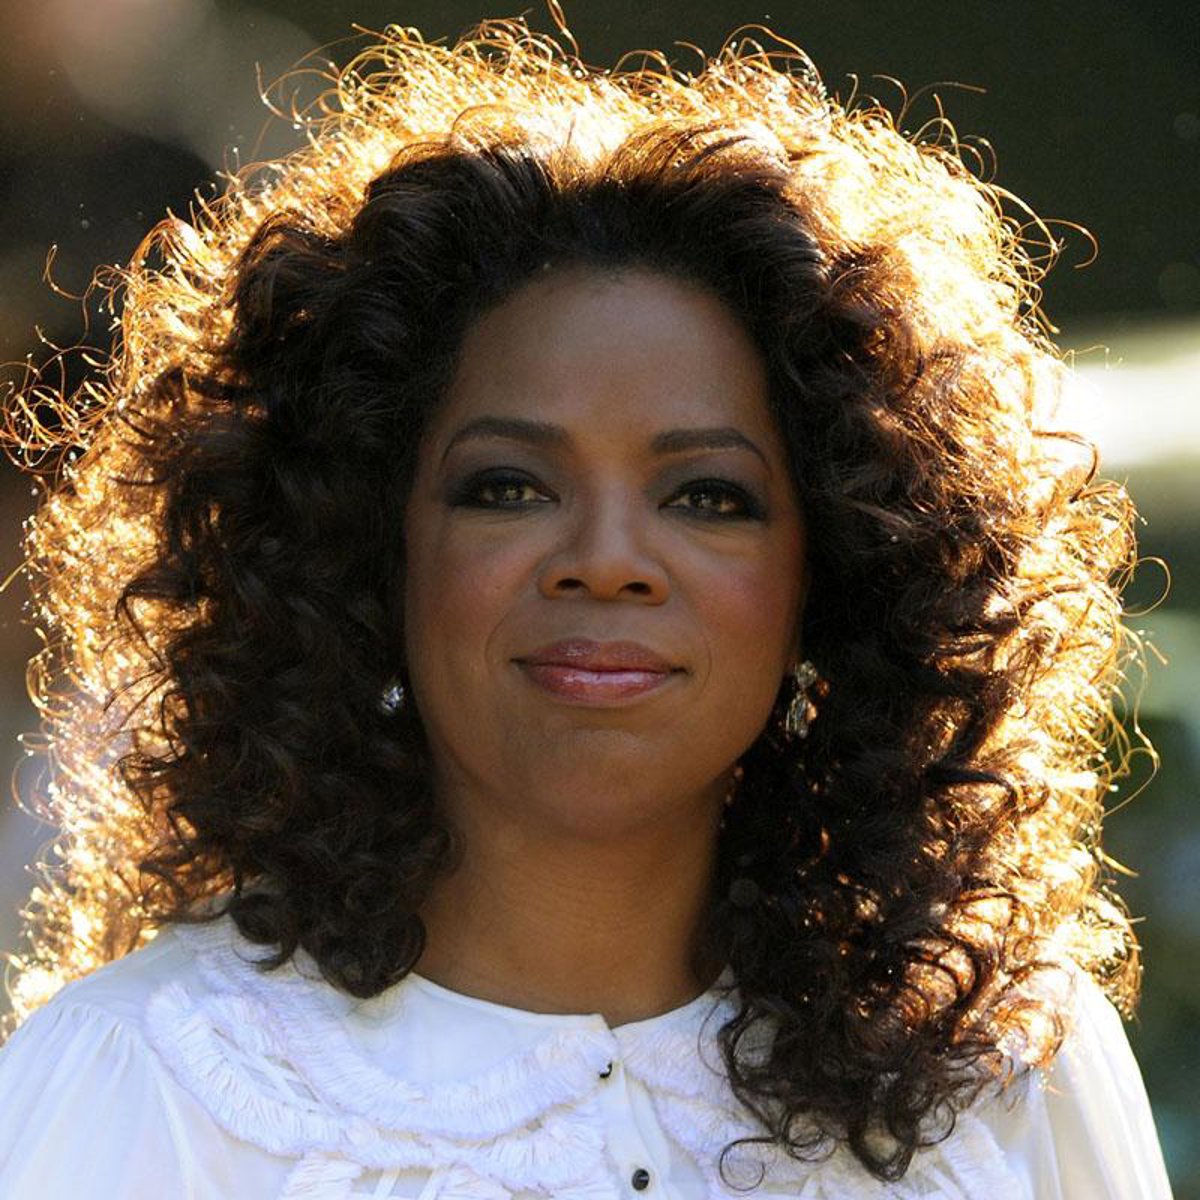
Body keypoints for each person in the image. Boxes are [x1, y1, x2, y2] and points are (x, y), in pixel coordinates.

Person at [0, 11, 1174, 1199]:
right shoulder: (149, 1083)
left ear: (833, 579)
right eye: (508, 487)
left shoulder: (1008, 1079)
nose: (607, 563)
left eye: (708, 497)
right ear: (366, 552)